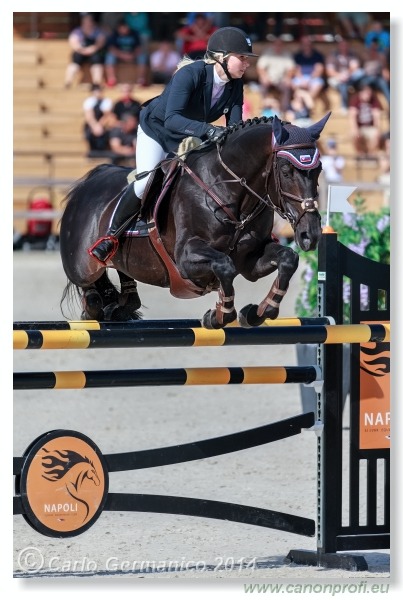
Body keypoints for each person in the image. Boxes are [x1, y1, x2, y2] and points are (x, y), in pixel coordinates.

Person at [88, 26, 259, 264]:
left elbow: (234, 128)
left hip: (189, 134)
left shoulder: (236, 85)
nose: (246, 63)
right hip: (157, 129)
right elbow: (172, 119)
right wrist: (209, 130)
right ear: (221, 57)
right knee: (146, 182)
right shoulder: (191, 74)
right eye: (242, 57)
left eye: (247, 58)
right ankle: (110, 236)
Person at [64, 13, 106, 88]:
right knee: (74, 64)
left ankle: (96, 83)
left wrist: (92, 49)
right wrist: (82, 50)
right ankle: (68, 82)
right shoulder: (77, 31)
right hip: (80, 51)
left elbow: (100, 42)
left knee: (97, 63)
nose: (88, 23)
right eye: (86, 22)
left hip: (94, 52)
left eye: (89, 21)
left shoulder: (97, 31)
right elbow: (73, 42)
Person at [255, 37, 295, 112]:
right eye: (276, 45)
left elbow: (291, 68)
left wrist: (288, 77)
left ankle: (284, 110)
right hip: (269, 78)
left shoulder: (286, 53)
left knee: (287, 87)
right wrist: (264, 76)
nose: (278, 46)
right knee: (263, 84)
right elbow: (260, 67)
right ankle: (264, 108)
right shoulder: (267, 53)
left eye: (280, 45)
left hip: (281, 79)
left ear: (282, 45)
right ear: (273, 45)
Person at [348, 83, 384, 157]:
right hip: (360, 127)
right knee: (353, 135)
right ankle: (360, 154)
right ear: (361, 93)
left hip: (370, 127)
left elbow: (376, 117)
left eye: (369, 93)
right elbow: (352, 117)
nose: (369, 95)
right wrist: (355, 129)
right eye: (367, 93)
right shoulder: (355, 100)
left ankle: (371, 154)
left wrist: (377, 129)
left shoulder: (374, 100)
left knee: (377, 135)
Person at [104, 19, 142, 88]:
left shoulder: (134, 33)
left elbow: (138, 48)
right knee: (110, 56)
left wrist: (132, 55)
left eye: (126, 27)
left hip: (131, 55)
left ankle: (141, 80)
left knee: (142, 56)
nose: (125, 30)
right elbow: (112, 49)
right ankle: (112, 79)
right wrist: (122, 55)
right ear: (118, 28)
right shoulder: (114, 35)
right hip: (119, 55)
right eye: (123, 28)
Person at [82, 84, 114, 152]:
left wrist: (100, 125)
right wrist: (95, 126)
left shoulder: (107, 101)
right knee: (88, 133)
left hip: (103, 124)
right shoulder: (89, 101)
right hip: (92, 124)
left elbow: (106, 115)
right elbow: (89, 116)